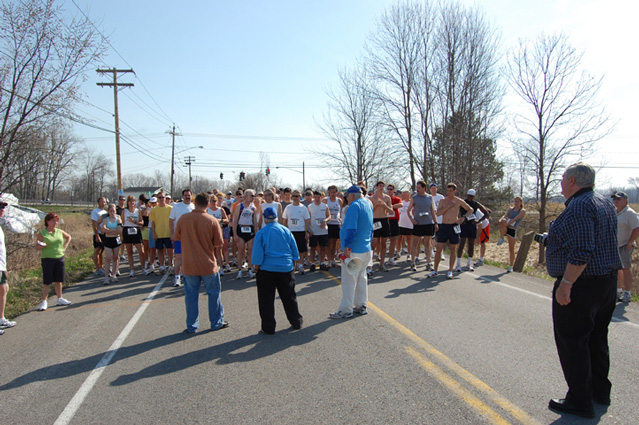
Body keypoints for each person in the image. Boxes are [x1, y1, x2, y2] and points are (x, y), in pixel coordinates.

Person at [543, 162, 621, 419]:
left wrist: (566, 284)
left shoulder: (579, 206)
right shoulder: (603, 202)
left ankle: (579, 399)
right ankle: (599, 391)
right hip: (606, 282)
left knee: (573, 341)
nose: (561, 182)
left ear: (573, 181)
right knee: (596, 338)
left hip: (582, 284)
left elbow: (583, 250)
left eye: (563, 178)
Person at [174, 193, 228, 334]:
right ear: (208, 204)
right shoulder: (212, 220)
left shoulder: (184, 219)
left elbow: (176, 236)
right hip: (208, 264)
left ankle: (192, 325)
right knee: (213, 294)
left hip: (189, 264)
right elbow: (219, 244)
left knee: (191, 296)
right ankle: (216, 322)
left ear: (195, 202)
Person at [252, 207, 303, 334]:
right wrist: (294, 262)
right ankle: (296, 321)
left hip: (267, 269)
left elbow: (258, 254)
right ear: (276, 217)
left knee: (266, 299)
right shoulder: (285, 230)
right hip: (285, 268)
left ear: (264, 218)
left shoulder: (262, 232)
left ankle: (268, 327)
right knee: (289, 296)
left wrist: (256, 268)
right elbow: (294, 250)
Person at [330, 185, 374, 319]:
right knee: (361, 278)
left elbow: (350, 228)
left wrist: (347, 247)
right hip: (365, 248)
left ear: (352, 196)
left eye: (347, 196)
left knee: (349, 280)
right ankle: (361, 305)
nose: (346, 199)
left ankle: (346, 310)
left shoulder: (354, 206)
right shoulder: (368, 204)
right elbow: (371, 227)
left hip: (354, 249)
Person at [430, 183, 472, 279]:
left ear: (454, 191)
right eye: (447, 191)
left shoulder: (459, 201)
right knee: (439, 248)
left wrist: (464, 217)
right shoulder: (443, 200)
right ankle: (435, 270)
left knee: (453, 249)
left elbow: (470, 209)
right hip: (444, 226)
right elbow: (439, 213)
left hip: (454, 226)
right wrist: (448, 206)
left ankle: (450, 271)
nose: (449, 193)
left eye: (451, 191)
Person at [35, 212, 72, 311]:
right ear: (47, 221)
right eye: (53, 220)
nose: (55, 222)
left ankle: (59, 298)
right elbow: (37, 247)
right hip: (47, 259)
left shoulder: (59, 231)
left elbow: (68, 237)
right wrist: (41, 246)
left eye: (56, 220)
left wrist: (64, 247)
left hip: (59, 258)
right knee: (47, 281)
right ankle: (44, 301)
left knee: (58, 280)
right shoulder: (42, 233)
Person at [611, 191, 639, 303]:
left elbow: (637, 228)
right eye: (614, 199)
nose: (616, 201)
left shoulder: (630, 213)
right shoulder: (615, 212)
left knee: (626, 268)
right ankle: (618, 291)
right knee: (618, 269)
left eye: (618, 199)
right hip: (616, 245)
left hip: (625, 245)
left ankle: (627, 293)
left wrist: (630, 242)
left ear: (625, 201)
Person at [455, 189, 491, 273]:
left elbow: (486, 213)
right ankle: (458, 264)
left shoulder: (476, 204)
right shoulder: (463, 202)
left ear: (474, 196)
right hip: (464, 225)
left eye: (471, 196)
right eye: (468, 195)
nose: (469, 197)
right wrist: (458, 219)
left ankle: (468, 264)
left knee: (471, 245)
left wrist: (478, 221)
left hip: (472, 225)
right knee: (461, 244)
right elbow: (456, 210)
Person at [408, 181, 437, 272]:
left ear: (424, 188)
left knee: (428, 243)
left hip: (428, 223)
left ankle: (428, 262)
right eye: (417, 187)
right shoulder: (414, 198)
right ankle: (413, 263)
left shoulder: (429, 197)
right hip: (418, 224)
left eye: (419, 187)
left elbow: (432, 211)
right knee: (415, 243)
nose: (417, 189)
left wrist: (435, 223)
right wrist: (412, 219)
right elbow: (408, 210)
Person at [169, 189, 195, 287]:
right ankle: (177, 277)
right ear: (182, 196)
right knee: (179, 257)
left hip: (191, 236)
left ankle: (186, 276)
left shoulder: (194, 207)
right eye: (185, 195)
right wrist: (172, 233)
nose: (187, 197)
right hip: (179, 235)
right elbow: (171, 220)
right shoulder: (176, 207)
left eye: (189, 195)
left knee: (189, 257)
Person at [232, 189, 259, 279]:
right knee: (241, 250)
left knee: (250, 250)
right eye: (251, 196)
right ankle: (239, 270)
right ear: (246, 196)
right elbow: (235, 221)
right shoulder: (239, 206)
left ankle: (250, 269)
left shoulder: (253, 207)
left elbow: (255, 222)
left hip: (250, 229)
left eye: (253, 196)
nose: (253, 198)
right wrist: (235, 233)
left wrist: (256, 234)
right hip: (241, 229)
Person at [282, 190, 311, 274]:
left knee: (301, 249)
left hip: (301, 231)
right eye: (294, 196)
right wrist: (284, 231)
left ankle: (300, 264)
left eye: (297, 196)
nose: (295, 198)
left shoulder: (303, 208)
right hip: (291, 232)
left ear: (300, 197)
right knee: (291, 249)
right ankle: (293, 266)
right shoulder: (288, 207)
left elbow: (307, 220)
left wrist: (307, 231)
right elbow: (285, 220)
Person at [497, 197, 526, 273]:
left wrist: (508, 224)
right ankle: (501, 237)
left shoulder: (522, 211)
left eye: (517, 201)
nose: (516, 203)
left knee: (511, 249)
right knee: (501, 222)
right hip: (506, 226)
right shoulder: (510, 209)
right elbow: (505, 216)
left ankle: (511, 266)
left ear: (521, 202)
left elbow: (516, 219)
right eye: (515, 201)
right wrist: (502, 219)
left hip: (512, 228)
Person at [121, 195, 148, 277]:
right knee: (129, 252)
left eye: (133, 201)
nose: (132, 203)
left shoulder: (138, 211)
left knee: (141, 251)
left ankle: (143, 268)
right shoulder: (124, 211)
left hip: (136, 230)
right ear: (128, 202)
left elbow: (142, 222)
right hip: (127, 230)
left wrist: (135, 222)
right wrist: (121, 235)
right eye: (130, 201)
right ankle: (132, 269)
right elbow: (121, 223)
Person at [0, 200, 16, 333]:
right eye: (0, 208)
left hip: (1, 265)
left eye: (3, 208)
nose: (2, 210)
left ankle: (1, 318)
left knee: (4, 289)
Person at [371, 181, 393, 271]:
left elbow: (391, 211)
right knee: (374, 243)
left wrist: (385, 206)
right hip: (375, 220)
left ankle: (382, 263)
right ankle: (370, 265)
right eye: (380, 186)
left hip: (384, 220)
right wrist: (375, 205)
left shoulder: (387, 197)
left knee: (384, 243)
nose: (381, 188)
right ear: (376, 187)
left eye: (383, 186)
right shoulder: (372, 198)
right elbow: (370, 211)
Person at [149, 191, 173, 274]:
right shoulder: (154, 210)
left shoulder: (170, 208)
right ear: (157, 199)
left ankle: (170, 265)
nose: (162, 199)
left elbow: (173, 221)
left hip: (168, 233)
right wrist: (154, 233)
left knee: (170, 250)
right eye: (160, 197)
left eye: (163, 197)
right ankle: (162, 266)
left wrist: (172, 232)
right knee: (160, 251)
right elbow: (153, 223)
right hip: (159, 233)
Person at [100, 203, 123, 284]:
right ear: (108, 211)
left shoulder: (118, 219)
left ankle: (114, 274)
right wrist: (113, 231)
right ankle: (106, 277)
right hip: (107, 240)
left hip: (116, 240)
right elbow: (103, 229)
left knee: (116, 257)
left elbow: (119, 230)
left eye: (114, 211)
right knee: (108, 258)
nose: (112, 212)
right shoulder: (105, 219)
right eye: (111, 211)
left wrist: (109, 231)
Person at [308, 190, 331, 271]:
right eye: (316, 197)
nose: (317, 199)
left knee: (323, 247)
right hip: (314, 230)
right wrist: (309, 229)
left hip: (323, 230)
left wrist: (325, 221)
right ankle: (313, 263)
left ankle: (322, 263)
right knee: (313, 248)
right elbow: (307, 219)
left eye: (319, 197)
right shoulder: (310, 207)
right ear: (313, 197)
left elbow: (329, 216)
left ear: (321, 197)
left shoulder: (325, 206)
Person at [324, 185, 343, 268]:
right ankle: (329, 260)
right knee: (328, 243)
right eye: (331, 192)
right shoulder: (325, 200)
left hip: (336, 223)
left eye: (334, 192)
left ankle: (333, 260)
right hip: (328, 223)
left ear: (336, 192)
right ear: (328, 192)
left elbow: (342, 212)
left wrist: (341, 220)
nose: (332, 194)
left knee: (334, 243)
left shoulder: (339, 201)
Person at [386, 184, 402, 266]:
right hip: (385, 220)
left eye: (391, 189)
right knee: (382, 241)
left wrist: (390, 207)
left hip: (394, 221)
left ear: (394, 190)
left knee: (393, 240)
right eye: (388, 189)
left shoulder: (396, 198)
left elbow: (400, 205)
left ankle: (391, 258)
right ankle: (380, 257)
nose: (389, 190)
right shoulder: (384, 198)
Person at [90, 197, 107, 275]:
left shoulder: (105, 212)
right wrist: (97, 235)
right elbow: (94, 224)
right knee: (97, 251)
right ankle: (97, 268)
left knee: (101, 251)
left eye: (104, 202)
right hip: (98, 233)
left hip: (104, 233)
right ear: (98, 203)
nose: (103, 203)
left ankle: (101, 266)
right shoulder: (95, 212)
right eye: (101, 202)